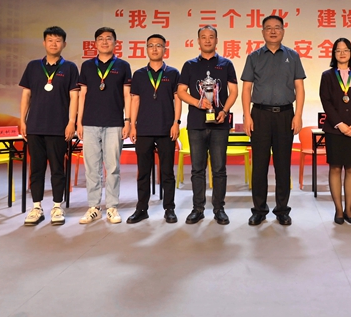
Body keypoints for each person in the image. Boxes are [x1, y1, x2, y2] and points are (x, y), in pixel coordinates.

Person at [241, 15, 306, 226]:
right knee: (259, 166)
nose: (273, 31)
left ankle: (282, 210)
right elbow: (246, 89)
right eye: (268, 28)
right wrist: (247, 116)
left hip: (285, 115)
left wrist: (298, 115)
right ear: (262, 32)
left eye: (277, 27)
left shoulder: (293, 56)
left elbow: (299, 87)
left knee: (283, 165)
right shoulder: (254, 57)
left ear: (283, 31)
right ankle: (259, 210)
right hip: (259, 115)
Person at [177, 26, 238, 225]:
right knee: (197, 169)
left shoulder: (226, 64)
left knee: (219, 169)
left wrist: (225, 111)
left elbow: (234, 92)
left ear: (216, 40)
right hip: (196, 124)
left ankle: (219, 209)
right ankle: (198, 209)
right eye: (203, 37)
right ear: (198, 41)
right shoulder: (189, 65)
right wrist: (198, 102)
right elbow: (181, 92)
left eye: (211, 37)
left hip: (220, 123)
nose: (207, 40)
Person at [19, 26, 79, 226]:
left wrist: (71, 122)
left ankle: (57, 207)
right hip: (35, 126)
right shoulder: (33, 66)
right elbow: (26, 95)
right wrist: (22, 120)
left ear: (64, 44)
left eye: (58, 40)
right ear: (44, 43)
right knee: (36, 169)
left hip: (58, 128)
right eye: (50, 40)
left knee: (57, 169)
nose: (54, 44)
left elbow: (74, 96)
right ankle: (36, 208)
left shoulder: (70, 67)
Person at [76, 27, 132, 225]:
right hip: (90, 123)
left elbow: (127, 95)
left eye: (109, 38)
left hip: (114, 123)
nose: (105, 42)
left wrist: (128, 120)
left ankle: (112, 207)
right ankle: (94, 207)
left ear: (115, 43)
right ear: (95, 43)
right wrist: (79, 121)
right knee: (92, 167)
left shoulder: (123, 66)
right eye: (101, 39)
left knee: (113, 167)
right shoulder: (87, 66)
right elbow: (82, 95)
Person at [127, 34, 181, 224]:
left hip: (166, 129)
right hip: (143, 129)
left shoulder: (173, 73)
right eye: (151, 45)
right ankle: (141, 209)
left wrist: (176, 123)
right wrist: (132, 125)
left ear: (165, 49)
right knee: (143, 172)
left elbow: (178, 99)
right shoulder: (139, 74)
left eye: (159, 45)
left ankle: (169, 208)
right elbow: (135, 100)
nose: (155, 49)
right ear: (146, 49)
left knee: (167, 172)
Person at [319, 38, 351, 225]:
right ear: (334, 54)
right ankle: (338, 210)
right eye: (338, 50)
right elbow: (326, 101)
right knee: (335, 167)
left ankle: (349, 210)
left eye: (346, 50)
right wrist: (339, 123)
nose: (342, 53)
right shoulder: (327, 76)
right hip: (334, 130)